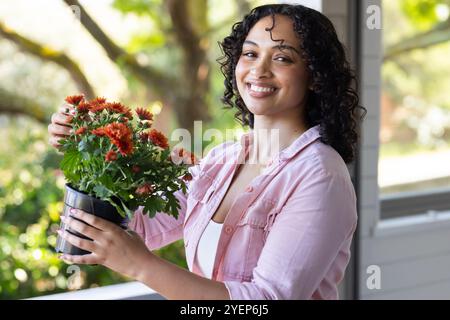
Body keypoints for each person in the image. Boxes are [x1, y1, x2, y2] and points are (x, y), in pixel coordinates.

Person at [47, 4, 365, 300]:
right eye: (250, 54)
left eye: (282, 58)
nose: (259, 70)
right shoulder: (221, 161)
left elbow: (267, 300)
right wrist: (87, 146)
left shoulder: (320, 176)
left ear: (314, 76)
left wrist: (141, 267)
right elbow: (138, 227)